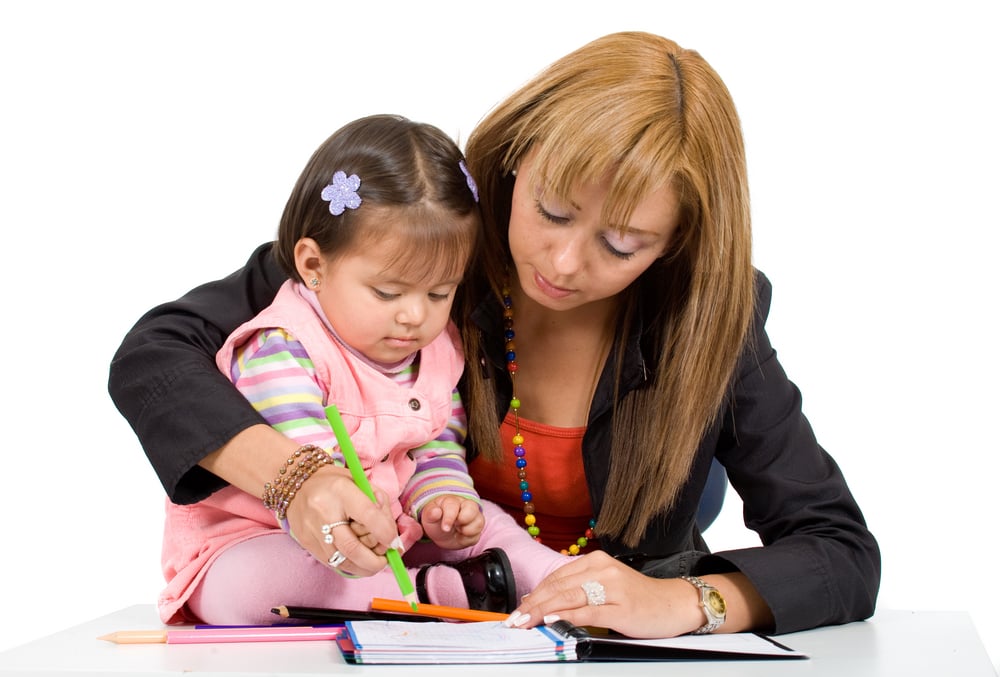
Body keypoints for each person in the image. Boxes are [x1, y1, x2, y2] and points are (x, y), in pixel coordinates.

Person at [109, 32, 880, 637]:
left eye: (622, 245)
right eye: (550, 211)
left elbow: (840, 550)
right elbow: (155, 356)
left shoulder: (715, 317)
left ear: (675, 245)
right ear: (517, 162)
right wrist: (296, 477)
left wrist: (686, 601)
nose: (565, 262)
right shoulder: (416, 247)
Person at [148, 114, 570, 625]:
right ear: (313, 265)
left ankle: (558, 577)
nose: (415, 315)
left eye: (440, 293)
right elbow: (310, 477)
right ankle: (428, 593)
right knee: (253, 584)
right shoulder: (284, 347)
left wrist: (444, 502)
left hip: (389, 536)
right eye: (388, 292)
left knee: (492, 523)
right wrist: (356, 522)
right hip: (266, 537)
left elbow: (435, 445)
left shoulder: (437, 349)